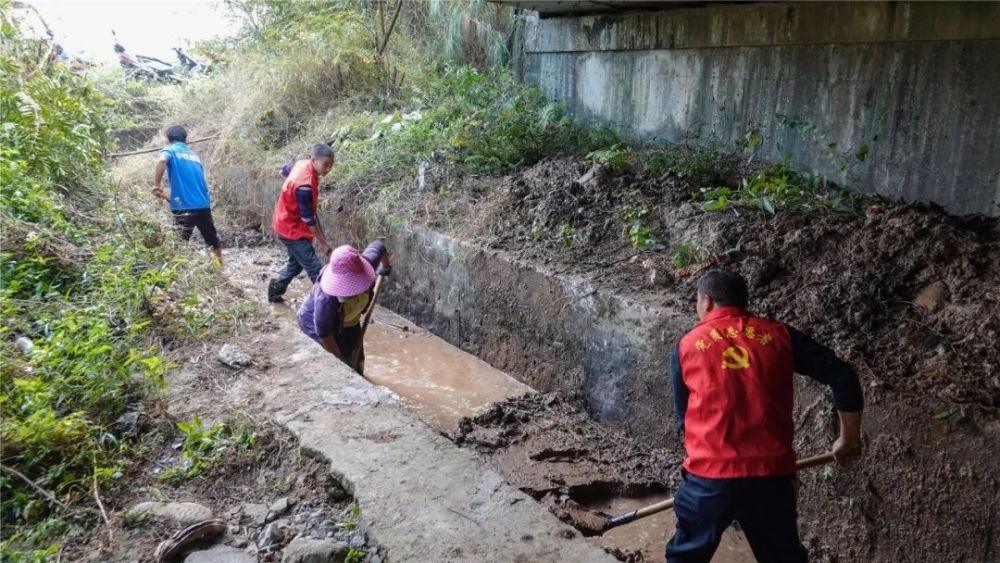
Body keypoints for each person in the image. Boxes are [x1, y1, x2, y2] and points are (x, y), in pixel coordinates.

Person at [667, 269, 863, 563]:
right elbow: (843, 376)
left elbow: (685, 419)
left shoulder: (687, 346)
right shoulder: (780, 336)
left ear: (706, 302)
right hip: (771, 480)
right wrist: (847, 439)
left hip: (708, 481)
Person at [297, 242, 391, 374]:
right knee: (335, 368)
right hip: (318, 326)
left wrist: (386, 267)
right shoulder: (326, 299)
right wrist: (341, 364)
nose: (351, 292)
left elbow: (379, 246)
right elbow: (324, 333)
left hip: (348, 319)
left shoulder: (365, 264)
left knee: (358, 360)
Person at [268, 143, 336, 303]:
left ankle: (274, 290)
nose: (328, 169)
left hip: (286, 221)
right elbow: (310, 219)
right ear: (313, 160)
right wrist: (324, 244)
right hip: (290, 229)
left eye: (331, 165)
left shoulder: (301, 164)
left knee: (296, 265)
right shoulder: (304, 186)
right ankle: (327, 306)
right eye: (325, 165)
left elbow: (283, 171)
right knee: (315, 268)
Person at [153, 125, 222, 264]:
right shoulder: (194, 156)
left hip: (184, 207)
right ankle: (221, 268)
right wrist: (166, 196)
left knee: (179, 243)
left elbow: (161, 160)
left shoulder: (170, 150)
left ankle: (178, 270)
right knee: (212, 240)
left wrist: (156, 184)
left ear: (168, 139)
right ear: (185, 139)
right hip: (203, 204)